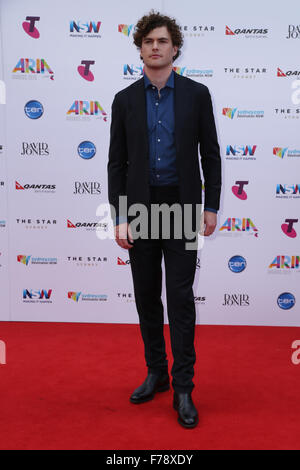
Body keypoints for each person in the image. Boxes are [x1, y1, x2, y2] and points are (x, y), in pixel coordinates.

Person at [107, 10, 221, 428]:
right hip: (139, 208)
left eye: (163, 41)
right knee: (145, 296)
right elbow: (116, 164)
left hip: (182, 205)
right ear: (140, 48)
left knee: (181, 298)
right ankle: (156, 372)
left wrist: (211, 207)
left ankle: (184, 387)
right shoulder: (124, 100)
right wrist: (119, 215)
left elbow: (210, 153)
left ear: (174, 48)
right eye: (148, 41)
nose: (155, 47)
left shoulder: (196, 94)